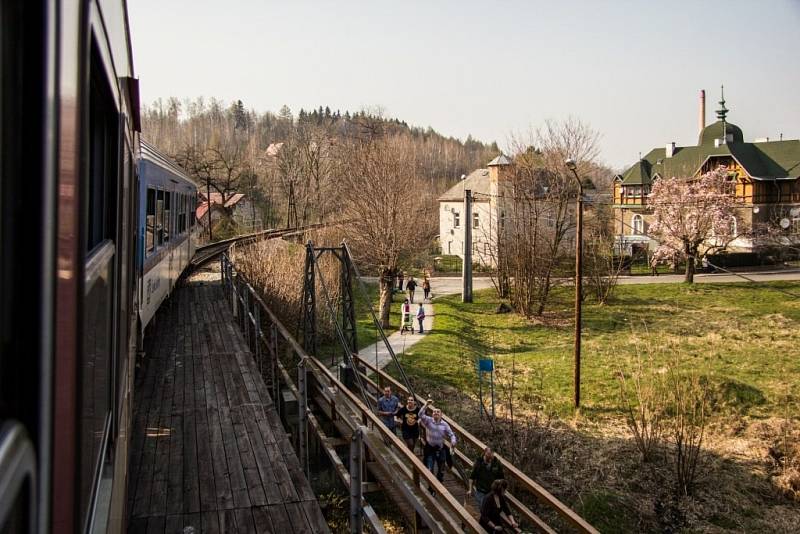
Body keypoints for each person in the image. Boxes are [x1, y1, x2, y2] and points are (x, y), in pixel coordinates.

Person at [418, 399, 456, 492]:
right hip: (430, 449)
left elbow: (452, 435)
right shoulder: (428, 420)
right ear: (432, 414)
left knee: (441, 470)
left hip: (440, 448)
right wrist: (426, 404)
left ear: (441, 415)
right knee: (430, 468)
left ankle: (439, 482)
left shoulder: (444, 424)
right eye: (434, 412)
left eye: (438, 412)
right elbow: (420, 415)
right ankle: (431, 487)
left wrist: (453, 442)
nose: (435, 413)